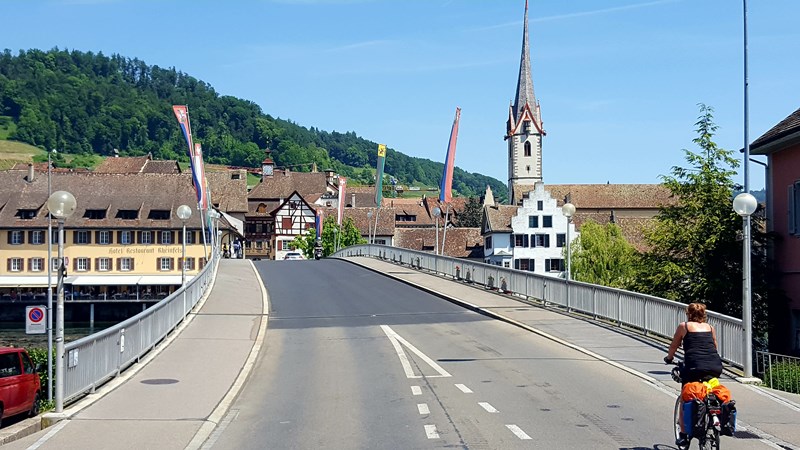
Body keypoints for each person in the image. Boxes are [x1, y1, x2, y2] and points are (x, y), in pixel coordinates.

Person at [664, 302, 723, 446]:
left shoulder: (684, 327)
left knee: (686, 397)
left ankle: (684, 435)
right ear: (704, 314)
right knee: (711, 389)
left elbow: (674, 345)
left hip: (694, 368)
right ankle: (712, 413)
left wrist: (669, 358)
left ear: (689, 314)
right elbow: (714, 347)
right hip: (715, 366)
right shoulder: (710, 328)